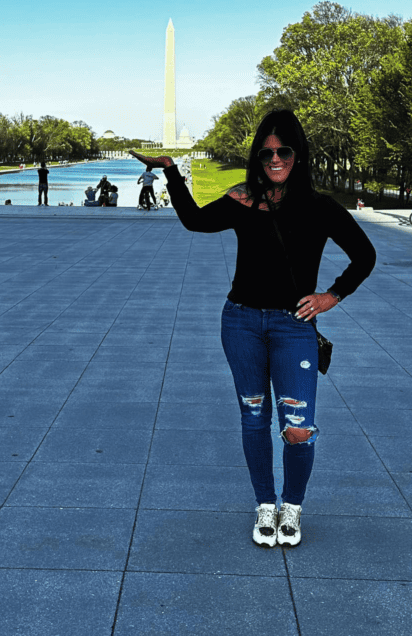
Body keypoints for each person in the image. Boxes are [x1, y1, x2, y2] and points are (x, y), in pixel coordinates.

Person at [131, 110, 376, 549]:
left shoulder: (319, 208)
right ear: (257, 157)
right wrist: (171, 173)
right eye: (266, 152)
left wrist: (330, 296)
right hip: (241, 321)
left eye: (283, 151)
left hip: (293, 326)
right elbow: (194, 220)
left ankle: (292, 507)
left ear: (298, 155)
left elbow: (365, 255)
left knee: (298, 424)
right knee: (254, 415)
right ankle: (266, 503)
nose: (275, 158)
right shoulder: (244, 199)